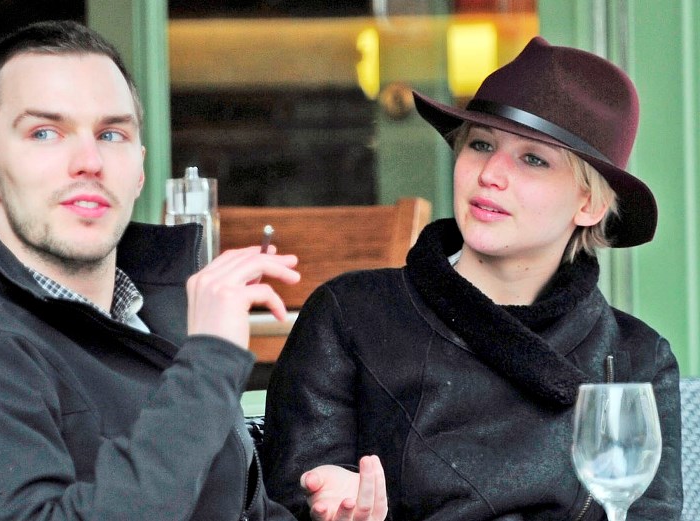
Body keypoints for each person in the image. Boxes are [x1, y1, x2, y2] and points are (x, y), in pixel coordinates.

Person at [0, 20, 388, 521]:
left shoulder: (156, 315)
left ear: (139, 169)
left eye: (111, 134)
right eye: (45, 133)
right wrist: (210, 361)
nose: (89, 160)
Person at [262, 36, 682, 520]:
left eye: (533, 159)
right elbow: (286, 501)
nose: (490, 174)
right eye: (481, 145)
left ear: (589, 205)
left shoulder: (636, 358)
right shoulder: (352, 316)